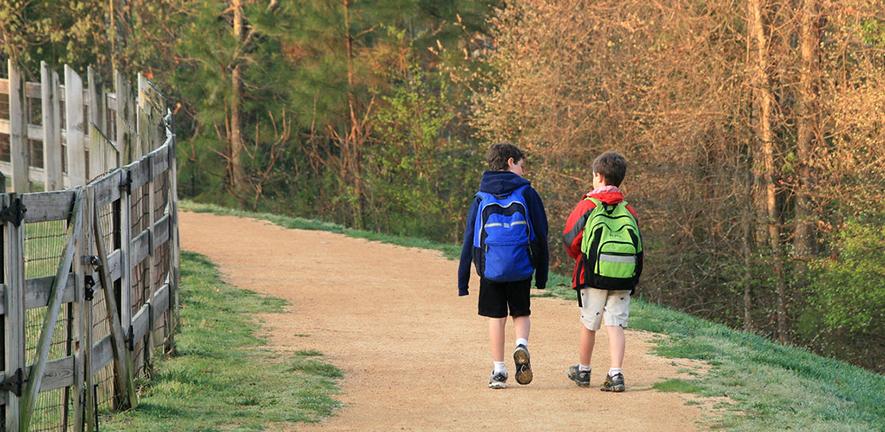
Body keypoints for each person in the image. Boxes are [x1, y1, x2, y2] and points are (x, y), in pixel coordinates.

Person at [458, 143, 549, 389]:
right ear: (510, 162)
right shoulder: (527, 193)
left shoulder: (481, 196)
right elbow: (541, 233)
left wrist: (462, 281)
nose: (523, 170)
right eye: (522, 165)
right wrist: (542, 274)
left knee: (496, 318)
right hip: (520, 263)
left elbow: (469, 237)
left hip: (490, 267)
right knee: (521, 312)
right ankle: (521, 345)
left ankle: (499, 370)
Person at [562, 151, 643, 392]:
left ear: (598, 176)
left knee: (590, 324)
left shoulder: (588, 205)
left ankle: (584, 370)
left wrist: (583, 258)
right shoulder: (629, 210)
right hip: (622, 277)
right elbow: (638, 247)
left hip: (592, 277)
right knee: (615, 325)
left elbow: (569, 238)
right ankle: (616, 374)